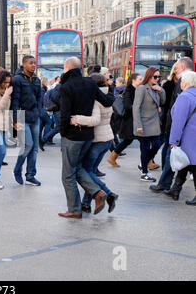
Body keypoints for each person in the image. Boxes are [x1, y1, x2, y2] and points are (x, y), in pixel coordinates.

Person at [58, 57, 115, 219]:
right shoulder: (90, 83)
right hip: (89, 135)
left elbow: (64, 115)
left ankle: (76, 208)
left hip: (73, 135)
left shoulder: (66, 87)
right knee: (77, 169)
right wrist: (111, 89)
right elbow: (106, 101)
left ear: (66, 68)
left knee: (68, 174)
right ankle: (98, 193)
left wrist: (63, 133)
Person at [70, 74, 118, 213]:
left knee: (84, 171)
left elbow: (95, 120)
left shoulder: (95, 99)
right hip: (107, 138)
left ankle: (109, 194)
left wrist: (77, 119)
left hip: (97, 139)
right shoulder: (107, 95)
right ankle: (86, 203)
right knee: (90, 172)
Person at [150, 58, 194, 193]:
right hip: (189, 132)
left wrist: (173, 137)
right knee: (185, 160)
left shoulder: (184, 86)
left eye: (176, 68)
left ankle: (165, 184)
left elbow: (178, 114)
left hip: (181, 132)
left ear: (181, 67)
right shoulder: (190, 83)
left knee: (174, 155)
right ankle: (175, 188)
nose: (175, 70)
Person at [165, 71, 196, 204]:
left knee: (192, 164)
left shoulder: (184, 97)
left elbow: (178, 122)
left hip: (188, 137)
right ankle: (175, 189)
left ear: (185, 83)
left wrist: (174, 140)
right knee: (186, 162)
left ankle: (176, 189)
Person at [11, 56, 43, 186]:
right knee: (27, 146)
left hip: (35, 117)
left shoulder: (36, 79)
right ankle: (17, 169)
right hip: (22, 116)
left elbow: (40, 98)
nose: (33, 65)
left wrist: (39, 112)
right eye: (30, 63)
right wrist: (14, 120)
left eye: (34, 63)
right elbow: (15, 101)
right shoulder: (17, 79)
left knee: (34, 148)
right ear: (24, 64)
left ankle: (30, 175)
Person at [132, 67, 166, 182]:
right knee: (145, 148)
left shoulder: (156, 88)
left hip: (154, 123)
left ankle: (144, 163)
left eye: (158, 76)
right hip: (144, 124)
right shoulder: (142, 88)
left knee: (157, 144)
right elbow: (136, 108)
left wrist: (161, 90)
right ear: (149, 76)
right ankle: (144, 173)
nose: (157, 78)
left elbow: (163, 101)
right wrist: (138, 125)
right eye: (155, 76)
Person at [108, 73, 143, 167]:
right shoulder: (129, 91)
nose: (142, 81)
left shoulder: (136, 90)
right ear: (133, 80)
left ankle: (112, 157)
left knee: (128, 141)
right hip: (130, 121)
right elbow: (128, 107)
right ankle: (148, 162)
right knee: (143, 141)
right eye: (140, 79)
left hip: (132, 121)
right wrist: (139, 108)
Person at [39, 78, 52, 151]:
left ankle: (39, 138)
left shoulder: (43, 89)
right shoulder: (42, 90)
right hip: (42, 109)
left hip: (41, 109)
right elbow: (42, 101)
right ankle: (44, 138)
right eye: (47, 81)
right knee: (49, 122)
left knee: (41, 124)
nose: (47, 83)